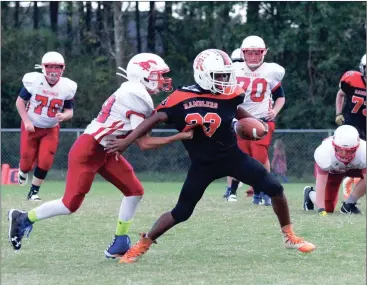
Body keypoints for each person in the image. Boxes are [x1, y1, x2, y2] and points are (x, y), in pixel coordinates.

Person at [105, 49, 316, 264]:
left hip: (233, 157)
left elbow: (238, 110)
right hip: (203, 165)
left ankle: (289, 237)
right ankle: (143, 243)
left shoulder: (230, 93)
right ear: (202, 74)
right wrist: (127, 140)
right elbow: (155, 118)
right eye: (219, 75)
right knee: (181, 212)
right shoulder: (180, 98)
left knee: (275, 189)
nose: (225, 79)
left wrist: (256, 123)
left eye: (226, 75)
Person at [8, 53, 193, 258]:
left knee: (135, 191)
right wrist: (180, 136)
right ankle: (23, 218)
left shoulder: (134, 91)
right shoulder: (136, 95)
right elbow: (144, 142)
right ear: (143, 76)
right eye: (158, 75)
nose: (163, 80)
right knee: (69, 205)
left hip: (106, 150)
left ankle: (120, 242)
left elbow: (136, 132)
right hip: (89, 150)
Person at [224, 36, 286, 205]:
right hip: (240, 119)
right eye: (249, 53)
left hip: (262, 119)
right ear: (243, 53)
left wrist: (275, 111)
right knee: (241, 157)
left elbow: (280, 97)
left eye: (256, 53)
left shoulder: (272, 71)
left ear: (263, 53)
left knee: (260, 155)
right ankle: (249, 189)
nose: (252, 57)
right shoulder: (233, 69)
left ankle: (266, 189)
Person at [16, 51, 77, 201]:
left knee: (46, 160)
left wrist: (64, 116)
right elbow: (19, 102)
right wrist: (27, 121)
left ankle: (33, 192)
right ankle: (22, 169)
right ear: (43, 67)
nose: (53, 71)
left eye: (57, 67)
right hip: (32, 126)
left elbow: (70, 111)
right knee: (26, 161)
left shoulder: (67, 87)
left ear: (63, 68)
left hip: (51, 129)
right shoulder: (34, 81)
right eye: (50, 67)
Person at [303, 125, 366, 215]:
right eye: (340, 150)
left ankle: (349, 205)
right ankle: (309, 193)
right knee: (328, 208)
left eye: (349, 151)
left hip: (354, 168)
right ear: (334, 145)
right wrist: (321, 209)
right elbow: (321, 182)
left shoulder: (363, 152)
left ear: (357, 147)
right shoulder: (325, 152)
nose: (344, 154)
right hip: (333, 171)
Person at [335, 54, 366, 201]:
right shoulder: (352, 79)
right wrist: (338, 113)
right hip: (352, 126)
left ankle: (352, 198)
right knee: (346, 162)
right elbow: (340, 94)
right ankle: (347, 196)